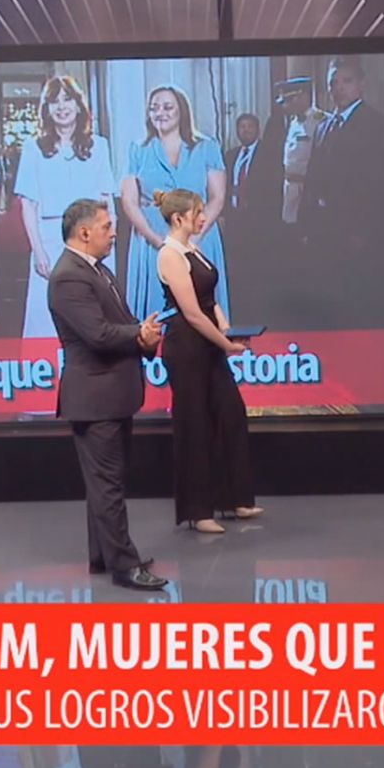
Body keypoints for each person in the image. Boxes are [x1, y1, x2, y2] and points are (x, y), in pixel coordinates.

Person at [48, 198, 168, 591]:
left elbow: (122, 322)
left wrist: (144, 334)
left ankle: (103, 555)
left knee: (105, 483)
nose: (114, 234)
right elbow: (97, 334)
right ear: (84, 232)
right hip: (95, 398)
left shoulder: (98, 271)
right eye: (106, 227)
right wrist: (138, 334)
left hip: (114, 394)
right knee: (107, 485)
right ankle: (125, 566)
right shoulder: (68, 277)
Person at [153, 188, 261, 535]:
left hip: (209, 343)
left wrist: (227, 331)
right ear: (178, 218)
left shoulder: (193, 250)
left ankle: (235, 498)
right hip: (187, 347)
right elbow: (193, 314)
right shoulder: (169, 254)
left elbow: (210, 301)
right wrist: (225, 344)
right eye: (197, 212)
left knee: (230, 412)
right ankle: (198, 510)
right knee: (195, 425)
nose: (203, 218)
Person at [119, 85, 231, 323]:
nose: (160, 113)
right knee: (157, 310)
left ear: (182, 111)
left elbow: (217, 197)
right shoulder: (138, 149)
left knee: (201, 308)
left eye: (168, 107)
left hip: (199, 236)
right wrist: (156, 240)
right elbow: (129, 201)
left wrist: (193, 239)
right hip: (153, 238)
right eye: (154, 108)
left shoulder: (207, 146)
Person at [17, 76, 117, 339]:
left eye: (67, 99)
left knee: (92, 315)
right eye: (54, 101)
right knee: (45, 317)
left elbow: (107, 199)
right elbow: (28, 205)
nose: (61, 107)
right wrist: (38, 252)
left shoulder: (99, 146)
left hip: (92, 238)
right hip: (50, 240)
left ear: (78, 105)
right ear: (46, 109)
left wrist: (108, 241)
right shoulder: (33, 149)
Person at [300, 56, 384, 258]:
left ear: (361, 84)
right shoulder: (322, 127)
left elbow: (379, 184)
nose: (339, 88)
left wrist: (362, 231)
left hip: (356, 231)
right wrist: (306, 224)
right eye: (333, 83)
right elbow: (312, 178)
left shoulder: (376, 125)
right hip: (322, 229)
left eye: (347, 81)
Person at [278, 77, 325, 227]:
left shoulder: (321, 121)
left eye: (290, 100)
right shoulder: (293, 122)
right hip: (290, 189)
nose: (286, 106)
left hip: (308, 190)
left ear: (304, 96)